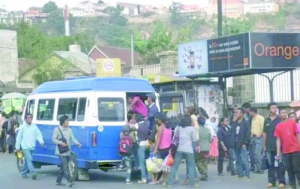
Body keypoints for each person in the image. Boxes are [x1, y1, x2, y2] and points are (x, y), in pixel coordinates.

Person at [166, 115, 200, 188]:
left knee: (175, 166)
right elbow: (195, 139)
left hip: (179, 149)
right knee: (191, 166)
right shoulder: (191, 129)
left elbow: (174, 137)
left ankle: (169, 183)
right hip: (189, 149)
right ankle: (192, 184)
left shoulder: (178, 128)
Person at [52, 115, 82, 187]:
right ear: (63, 122)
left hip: (68, 151)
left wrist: (77, 143)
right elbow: (53, 139)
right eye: (67, 121)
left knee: (63, 166)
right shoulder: (57, 129)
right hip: (60, 152)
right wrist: (61, 143)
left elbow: (73, 138)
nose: (68, 122)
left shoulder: (69, 130)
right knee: (65, 166)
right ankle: (70, 180)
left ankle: (58, 181)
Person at [275, 108, 300, 189]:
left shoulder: (292, 122)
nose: (284, 114)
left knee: (297, 167)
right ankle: (292, 184)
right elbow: (278, 139)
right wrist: (278, 152)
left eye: (285, 112)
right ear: (279, 114)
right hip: (286, 150)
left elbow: (297, 134)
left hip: (295, 149)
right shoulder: (278, 126)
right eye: (282, 112)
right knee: (289, 168)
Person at [263, 102, 286, 188]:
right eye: (273, 108)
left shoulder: (280, 119)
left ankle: (282, 181)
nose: (275, 109)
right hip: (269, 146)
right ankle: (271, 181)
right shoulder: (266, 120)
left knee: (280, 164)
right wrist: (264, 145)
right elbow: (264, 133)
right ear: (269, 109)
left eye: (276, 108)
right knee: (270, 164)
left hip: (279, 146)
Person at [15, 114, 44, 180]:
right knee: (30, 159)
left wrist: (41, 141)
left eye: (30, 117)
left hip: (32, 146)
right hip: (25, 147)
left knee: (27, 161)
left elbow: (38, 134)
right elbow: (19, 137)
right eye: (28, 118)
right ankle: (33, 173)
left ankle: (23, 173)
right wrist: (17, 146)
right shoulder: (22, 127)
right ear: (25, 119)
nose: (29, 119)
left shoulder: (34, 127)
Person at [231, 108, 251, 179]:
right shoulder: (234, 123)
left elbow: (247, 134)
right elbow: (232, 132)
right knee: (237, 159)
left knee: (244, 159)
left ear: (242, 114)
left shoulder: (246, 123)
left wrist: (245, 143)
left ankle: (246, 174)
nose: (236, 114)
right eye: (235, 113)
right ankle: (240, 173)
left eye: (237, 113)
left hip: (242, 143)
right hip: (235, 143)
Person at [130, 113, 149, 184]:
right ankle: (146, 176)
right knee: (144, 162)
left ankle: (143, 178)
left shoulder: (137, 125)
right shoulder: (146, 124)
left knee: (141, 163)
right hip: (146, 145)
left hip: (140, 145)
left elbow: (130, 129)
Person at [153, 112, 171, 185]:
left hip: (162, 148)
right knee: (166, 165)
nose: (157, 120)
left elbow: (158, 139)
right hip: (168, 148)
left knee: (161, 165)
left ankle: (160, 180)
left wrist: (155, 149)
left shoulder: (161, 128)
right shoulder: (168, 127)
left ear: (160, 120)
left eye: (158, 119)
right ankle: (165, 180)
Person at [249, 107, 265, 174]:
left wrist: (260, 134)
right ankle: (257, 168)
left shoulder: (260, 118)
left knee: (257, 154)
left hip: (259, 137)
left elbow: (263, 128)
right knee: (254, 154)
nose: (249, 113)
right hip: (253, 137)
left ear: (253, 112)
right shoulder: (253, 119)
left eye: (250, 112)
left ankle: (260, 168)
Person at [195, 115, 211, 181]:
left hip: (200, 147)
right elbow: (210, 140)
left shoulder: (197, 129)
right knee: (205, 161)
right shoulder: (208, 130)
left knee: (197, 161)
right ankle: (205, 175)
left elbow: (195, 139)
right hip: (207, 147)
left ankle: (203, 171)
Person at [242, 102, 255, 172]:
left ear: (247, 108)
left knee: (251, 152)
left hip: (250, 135)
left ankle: (253, 166)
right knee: (249, 153)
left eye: (244, 109)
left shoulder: (250, 116)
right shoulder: (246, 115)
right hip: (247, 135)